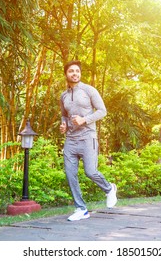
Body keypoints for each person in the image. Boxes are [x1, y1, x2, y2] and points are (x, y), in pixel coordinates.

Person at [60, 60, 117, 221]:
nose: (75, 73)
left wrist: (84, 119)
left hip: (87, 137)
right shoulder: (63, 95)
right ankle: (81, 208)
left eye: (77, 71)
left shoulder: (88, 90)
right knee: (70, 175)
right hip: (71, 139)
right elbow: (64, 114)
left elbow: (102, 111)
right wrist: (63, 124)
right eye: (71, 71)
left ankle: (109, 188)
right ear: (66, 74)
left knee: (90, 171)